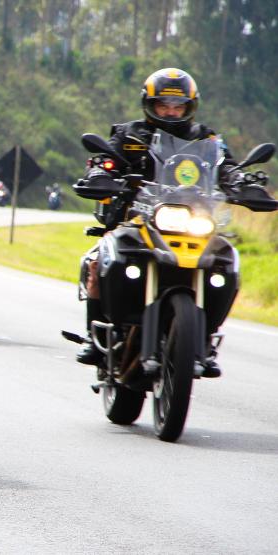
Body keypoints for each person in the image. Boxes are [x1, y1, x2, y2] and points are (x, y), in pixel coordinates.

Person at [75, 68, 233, 376]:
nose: (171, 112)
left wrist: (241, 180)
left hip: (193, 221)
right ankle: (96, 339)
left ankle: (204, 339)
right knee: (100, 258)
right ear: (150, 104)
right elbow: (105, 160)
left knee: (225, 262)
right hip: (138, 219)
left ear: (190, 107)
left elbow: (226, 166)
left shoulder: (206, 138)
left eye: (178, 106)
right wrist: (100, 173)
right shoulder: (129, 134)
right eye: (164, 105)